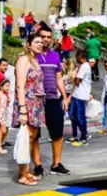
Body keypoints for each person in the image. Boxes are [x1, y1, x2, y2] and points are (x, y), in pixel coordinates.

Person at [34, 23, 71, 175]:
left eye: (49, 37)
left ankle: (56, 164)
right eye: (43, 37)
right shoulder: (31, 56)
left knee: (57, 133)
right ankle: (37, 165)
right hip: (35, 100)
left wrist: (64, 97)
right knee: (34, 134)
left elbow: (59, 77)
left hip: (52, 99)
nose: (46, 40)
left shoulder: (55, 56)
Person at [13, 32, 47, 185]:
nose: (40, 44)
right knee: (26, 139)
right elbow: (20, 86)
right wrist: (22, 109)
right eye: (37, 42)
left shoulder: (35, 61)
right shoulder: (23, 60)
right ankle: (22, 175)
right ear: (29, 44)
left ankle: (26, 171)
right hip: (27, 104)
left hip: (37, 104)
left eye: (42, 42)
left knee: (32, 138)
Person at [69, 49, 92, 146]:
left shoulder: (84, 67)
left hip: (81, 96)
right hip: (76, 95)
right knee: (72, 115)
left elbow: (77, 81)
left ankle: (83, 137)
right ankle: (82, 133)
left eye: (76, 57)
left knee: (80, 117)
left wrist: (74, 76)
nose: (76, 59)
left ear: (80, 57)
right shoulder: (83, 66)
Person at [0, 78, 12, 154]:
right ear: (1, 86)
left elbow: (7, 103)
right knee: (2, 131)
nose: (8, 88)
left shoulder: (4, 94)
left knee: (3, 131)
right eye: (7, 86)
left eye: (9, 86)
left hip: (4, 113)